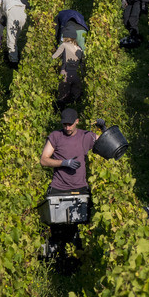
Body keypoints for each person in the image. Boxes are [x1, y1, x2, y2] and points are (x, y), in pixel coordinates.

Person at [40, 108, 100, 273]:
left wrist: (104, 129)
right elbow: (44, 160)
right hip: (59, 188)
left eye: (70, 124)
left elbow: (105, 144)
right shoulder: (55, 137)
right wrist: (63, 163)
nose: (67, 127)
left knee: (78, 228)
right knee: (57, 230)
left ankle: (77, 265)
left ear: (77, 121)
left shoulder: (85, 136)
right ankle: (54, 265)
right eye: (64, 124)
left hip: (80, 189)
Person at [0, 0, 28, 65]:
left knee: (11, 38)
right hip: (23, 13)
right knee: (16, 36)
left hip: (13, 13)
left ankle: (13, 62)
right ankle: (16, 56)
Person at [54, 32, 85, 110]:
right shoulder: (79, 48)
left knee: (62, 96)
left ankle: (60, 114)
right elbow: (82, 63)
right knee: (74, 97)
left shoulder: (64, 45)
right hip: (76, 76)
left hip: (65, 73)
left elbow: (54, 57)